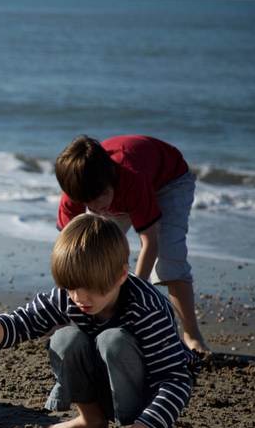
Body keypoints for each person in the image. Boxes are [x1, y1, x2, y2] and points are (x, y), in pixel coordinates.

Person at [0, 214, 198, 428]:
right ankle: (90, 418)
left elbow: (174, 379)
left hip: (143, 392)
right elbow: (23, 321)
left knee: (113, 341)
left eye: (92, 290)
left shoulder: (147, 308)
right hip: (102, 384)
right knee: (64, 339)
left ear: (120, 276)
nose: (80, 299)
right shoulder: (69, 296)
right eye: (71, 288)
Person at [55, 134, 208, 353]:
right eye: (87, 203)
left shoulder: (131, 180)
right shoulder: (79, 189)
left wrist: (130, 295)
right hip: (122, 191)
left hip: (169, 181)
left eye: (99, 198)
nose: (96, 208)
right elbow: (67, 256)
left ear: (110, 183)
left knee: (169, 258)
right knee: (94, 254)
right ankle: (99, 325)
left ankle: (192, 334)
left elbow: (150, 243)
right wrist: (60, 314)